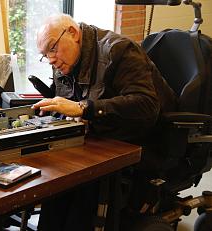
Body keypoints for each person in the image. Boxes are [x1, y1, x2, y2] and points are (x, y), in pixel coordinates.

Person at [32, 14, 178, 231]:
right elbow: (68, 101)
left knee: (83, 183)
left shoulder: (119, 50)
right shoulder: (64, 60)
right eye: (45, 55)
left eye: (52, 49)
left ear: (72, 33)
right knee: (56, 178)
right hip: (100, 140)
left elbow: (146, 105)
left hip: (142, 142)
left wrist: (85, 108)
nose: (51, 59)